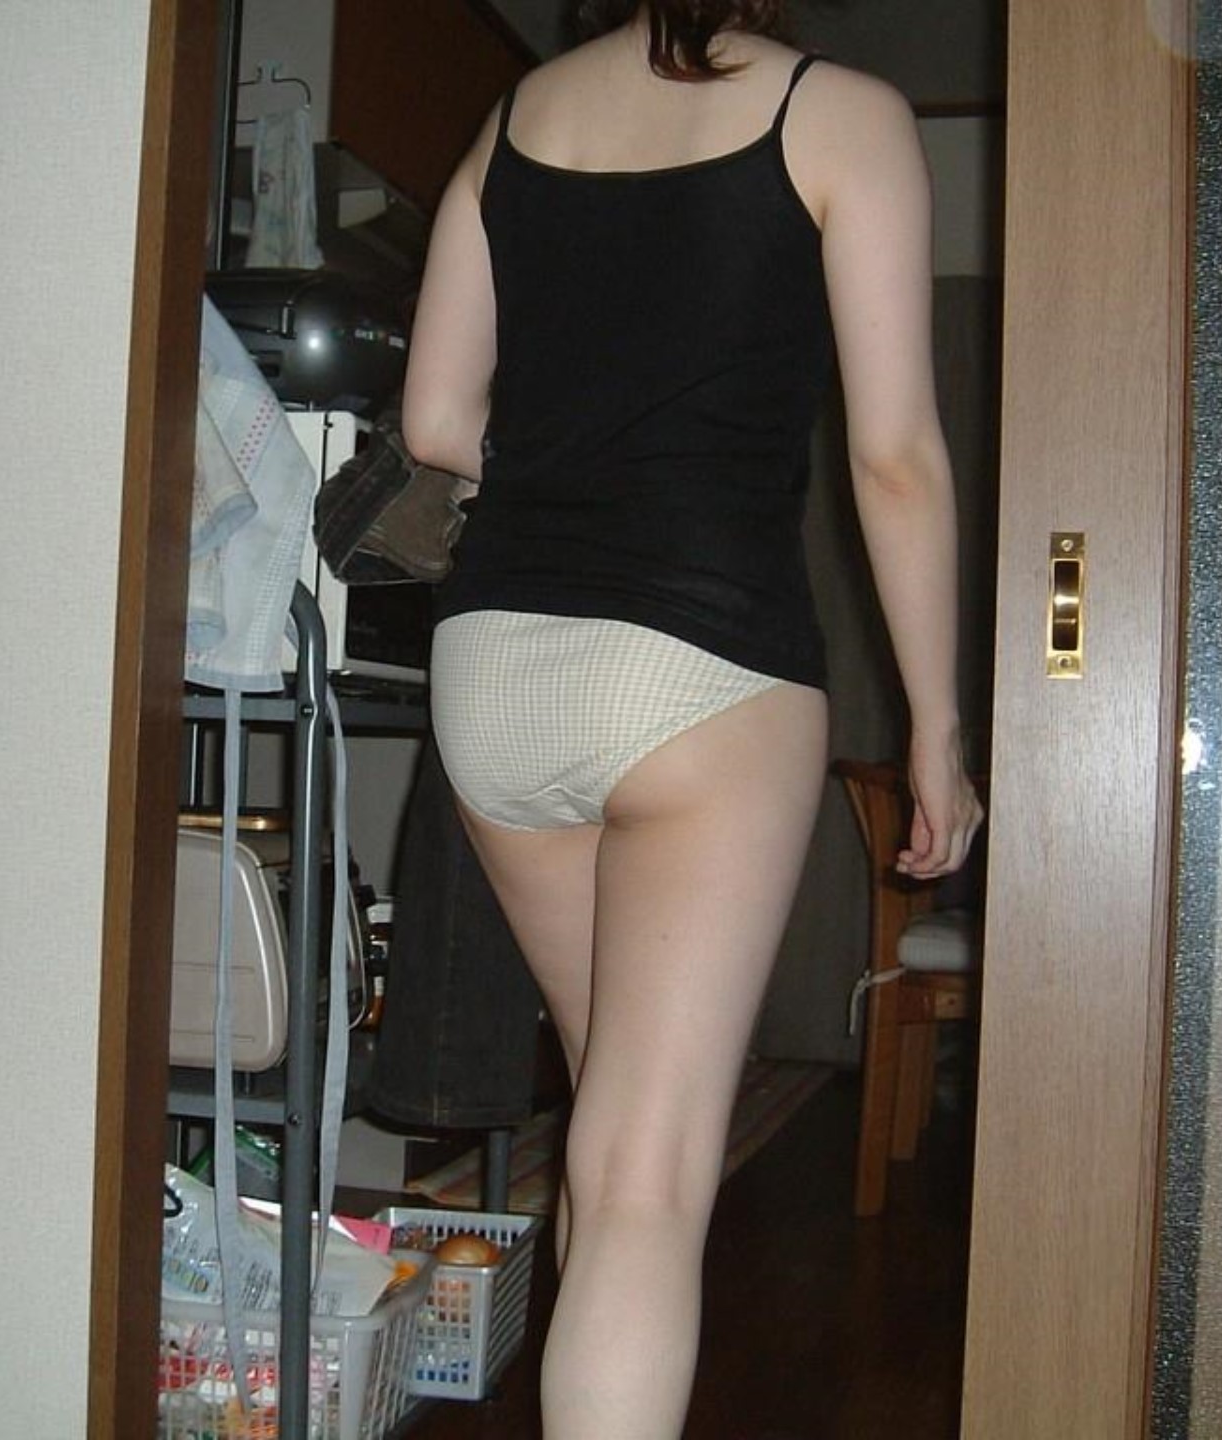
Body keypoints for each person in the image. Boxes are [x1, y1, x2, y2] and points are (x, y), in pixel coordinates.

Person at [400, 2, 984, 1434]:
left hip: (496, 666)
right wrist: (937, 727)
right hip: (698, 675)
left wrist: (569, 472)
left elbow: (432, 423)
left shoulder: (514, 121)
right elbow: (895, 459)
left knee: (615, 1142)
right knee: (649, 1178)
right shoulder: (841, 115)